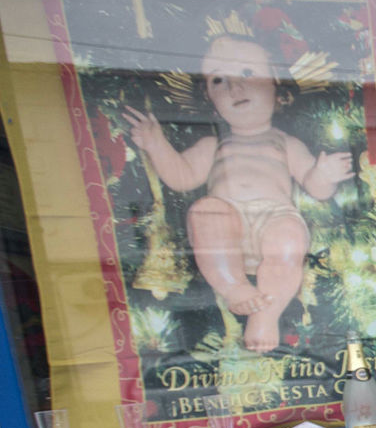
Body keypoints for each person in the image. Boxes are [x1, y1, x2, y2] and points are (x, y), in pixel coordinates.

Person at [124, 32, 353, 353]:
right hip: (225, 222)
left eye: (248, 73)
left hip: (274, 218)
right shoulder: (213, 146)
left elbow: (315, 187)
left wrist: (324, 174)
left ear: (278, 88)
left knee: (289, 238)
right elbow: (181, 176)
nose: (234, 87)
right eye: (219, 79)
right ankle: (234, 287)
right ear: (210, 100)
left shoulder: (285, 144)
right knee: (206, 211)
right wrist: (156, 144)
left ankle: (266, 315)